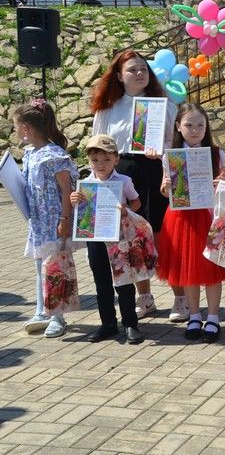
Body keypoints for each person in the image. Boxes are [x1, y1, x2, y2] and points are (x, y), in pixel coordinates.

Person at [91, 50, 177, 321]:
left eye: (144, 69)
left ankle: (182, 298)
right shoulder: (108, 108)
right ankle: (145, 297)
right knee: (132, 238)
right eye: (132, 70)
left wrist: (161, 151)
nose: (140, 74)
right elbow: (97, 146)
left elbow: (176, 143)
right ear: (119, 75)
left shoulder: (164, 104)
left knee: (164, 234)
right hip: (122, 176)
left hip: (156, 173)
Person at [158, 103, 225, 343]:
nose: (195, 130)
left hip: (208, 214)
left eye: (200, 125)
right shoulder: (170, 155)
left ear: (206, 128)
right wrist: (167, 187)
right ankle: (194, 315)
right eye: (189, 125)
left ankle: (213, 317)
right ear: (178, 126)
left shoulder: (216, 154)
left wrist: (220, 184)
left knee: (211, 267)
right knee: (188, 268)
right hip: (180, 217)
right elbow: (163, 188)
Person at [70, 134, 145, 344]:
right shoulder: (85, 184)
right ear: (89, 160)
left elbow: (137, 203)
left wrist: (126, 211)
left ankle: (130, 323)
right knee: (101, 282)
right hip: (95, 239)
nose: (100, 165)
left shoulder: (124, 181)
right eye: (95, 160)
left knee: (124, 281)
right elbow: (82, 212)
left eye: (106, 160)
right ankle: (108, 324)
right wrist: (74, 200)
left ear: (116, 159)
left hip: (119, 239)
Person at [13, 100, 78, 337]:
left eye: (16, 126)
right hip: (39, 222)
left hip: (54, 221)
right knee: (40, 266)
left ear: (27, 128)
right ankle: (42, 309)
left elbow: (66, 187)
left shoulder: (53, 155)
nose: (15, 131)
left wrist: (65, 218)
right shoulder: (31, 154)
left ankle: (58, 315)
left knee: (55, 268)